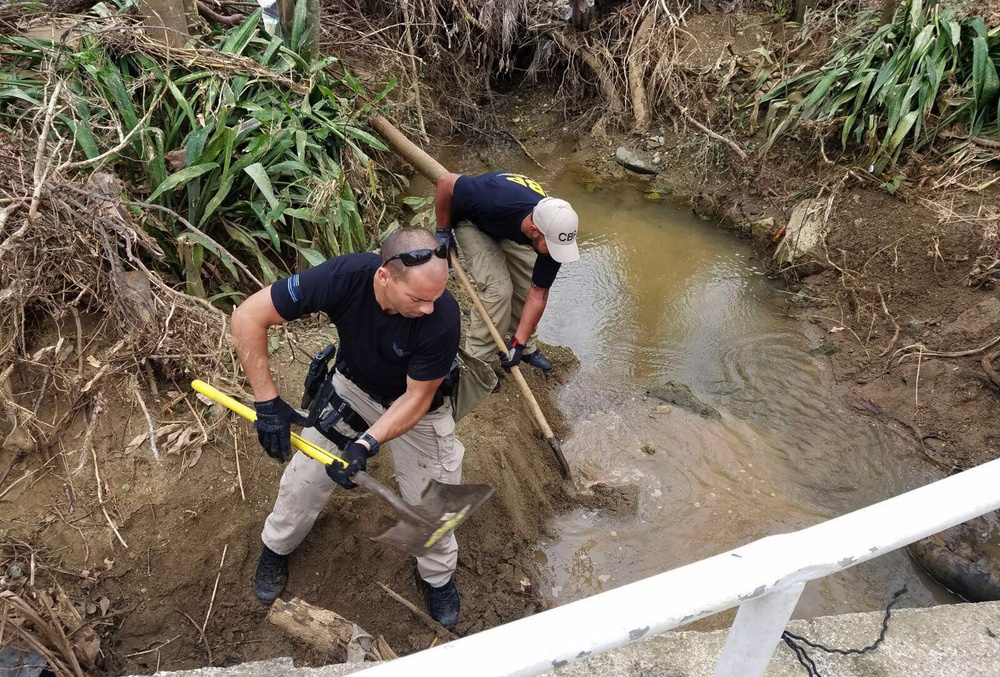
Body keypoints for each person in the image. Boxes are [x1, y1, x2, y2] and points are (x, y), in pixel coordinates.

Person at [231, 227, 464, 628]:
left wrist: (366, 444)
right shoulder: (344, 277)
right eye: (418, 298)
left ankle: (437, 576)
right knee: (304, 477)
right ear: (384, 277)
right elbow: (248, 316)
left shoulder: (441, 318)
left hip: (418, 407)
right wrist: (267, 402)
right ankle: (276, 547)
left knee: (434, 500)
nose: (429, 307)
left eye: (436, 296)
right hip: (353, 386)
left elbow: (416, 399)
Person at [434, 171, 580, 373]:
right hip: (473, 221)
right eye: (552, 246)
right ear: (534, 230)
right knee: (498, 290)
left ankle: (524, 345)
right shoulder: (491, 199)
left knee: (527, 282)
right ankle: (476, 364)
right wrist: (442, 231)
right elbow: (446, 182)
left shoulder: (555, 234)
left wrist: (518, 343)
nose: (557, 254)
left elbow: (538, 294)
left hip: (509, 228)